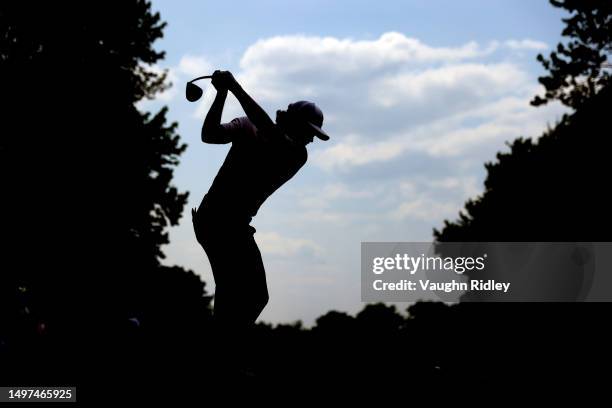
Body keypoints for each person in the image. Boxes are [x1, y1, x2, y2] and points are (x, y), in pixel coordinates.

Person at [192, 70, 330, 368]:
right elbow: (209, 135)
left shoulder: (296, 154)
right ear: (291, 122)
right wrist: (221, 94)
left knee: (251, 295)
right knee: (243, 293)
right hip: (217, 220)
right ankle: (220, 357)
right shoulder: (249, 125)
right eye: (308, 131)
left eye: (313, 136)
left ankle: (220, 353)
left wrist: (234, 87)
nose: (310, 140)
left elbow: (271, 133)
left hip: (231, 224)